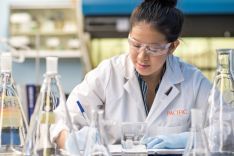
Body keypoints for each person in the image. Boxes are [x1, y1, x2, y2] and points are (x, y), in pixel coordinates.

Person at [53, 0, 212, 152]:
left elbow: (227, 127)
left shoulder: (193, 81)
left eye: (153, 49)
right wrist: (70, 140)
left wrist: (189, 139)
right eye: (136, 45)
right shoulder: (107, 74)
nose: (142, 56)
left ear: (172, 47)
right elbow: (61, 122)